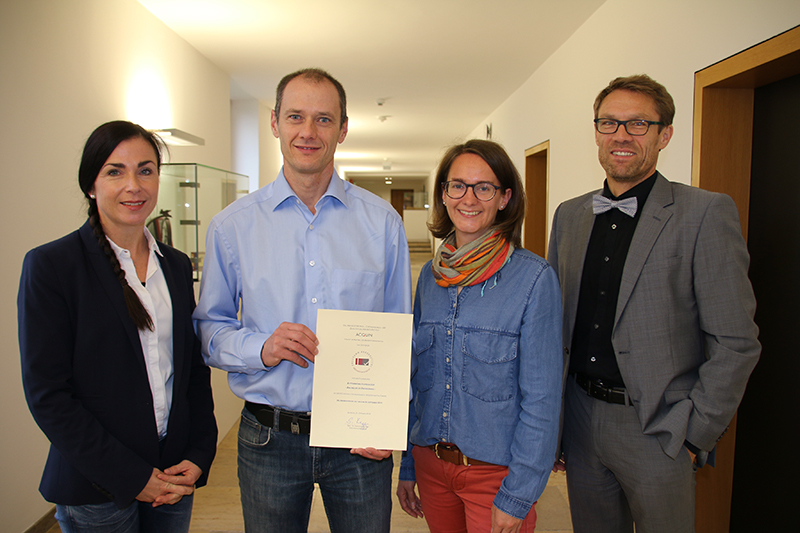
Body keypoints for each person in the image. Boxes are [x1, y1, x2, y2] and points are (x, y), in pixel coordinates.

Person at [193, 68, 412, 533]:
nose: (308, 132)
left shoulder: (382, 224)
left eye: (323, 119)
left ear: (343, 128)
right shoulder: (232, 227)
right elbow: (209, 329)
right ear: (275, 122)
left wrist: (389, 421)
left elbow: (400, 331)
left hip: (358, 439)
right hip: (269, 437)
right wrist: (259, 347)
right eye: (295, 117)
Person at [547, 74, 761, 533]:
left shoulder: (704, 213)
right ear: (597, 132)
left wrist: (693, 431)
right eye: (609, 123)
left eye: (638, 124)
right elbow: (556, 325)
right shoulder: (569, 215)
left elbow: (737, 341)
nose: (621, 135)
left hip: (659, 427)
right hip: (581, 418)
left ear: (664, 135)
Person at [18, 120, 218, 532]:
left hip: (173, 475)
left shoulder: (176, 266)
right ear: (90, 185)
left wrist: (200, 453)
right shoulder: (53, 267)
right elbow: (48, 396)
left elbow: (192, 374)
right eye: (115, 171)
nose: (134, 185)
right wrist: (133, 477)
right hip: (97, 486)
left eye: (146, 170)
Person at [396, 139, 563, 533]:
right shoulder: (431, 279)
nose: (468, 198)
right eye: (457, 185)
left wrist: (518, 495)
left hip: (495, 476)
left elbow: (542, 400)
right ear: (443, 194)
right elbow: (417, 380)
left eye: (484, 187)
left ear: (504, 198)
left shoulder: (534, 280)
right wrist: (407, 464)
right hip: (432, 466)